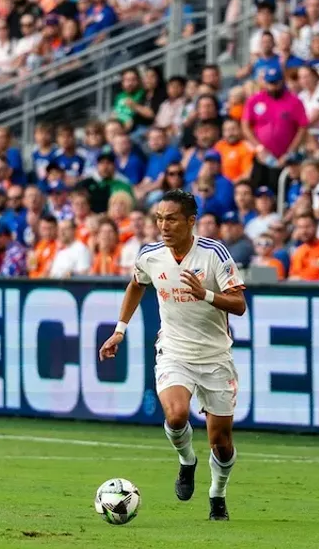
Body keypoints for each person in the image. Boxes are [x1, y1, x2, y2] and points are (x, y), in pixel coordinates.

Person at [99, 190, 246, 522]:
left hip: (215, 357)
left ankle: (217, 495)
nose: (163, 226)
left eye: (171, 219)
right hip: (174, 351)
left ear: (191, 221)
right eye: (159, 218)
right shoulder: (150, 255)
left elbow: (239, 305)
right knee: (177, 415)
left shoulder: (214, 254)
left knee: (221, 442)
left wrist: (206, 294)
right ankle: (186, 461)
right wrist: (120, 329)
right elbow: (137, 284)